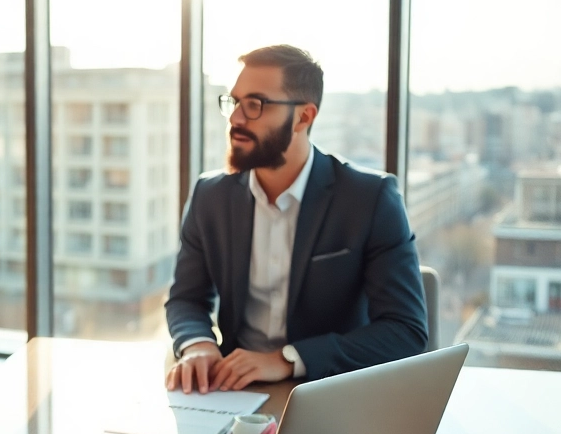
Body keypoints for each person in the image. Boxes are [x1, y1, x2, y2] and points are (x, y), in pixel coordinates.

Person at [164, 45, 428, 394]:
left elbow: (404, 330)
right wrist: (198, 343)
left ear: (304, 117)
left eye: (255, 105)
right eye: (234, 102)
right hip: (232, 391)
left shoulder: (370, 199)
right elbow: (186, 298)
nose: (236, 119)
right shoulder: (210, 195)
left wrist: (287, 359)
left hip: (327, 392)